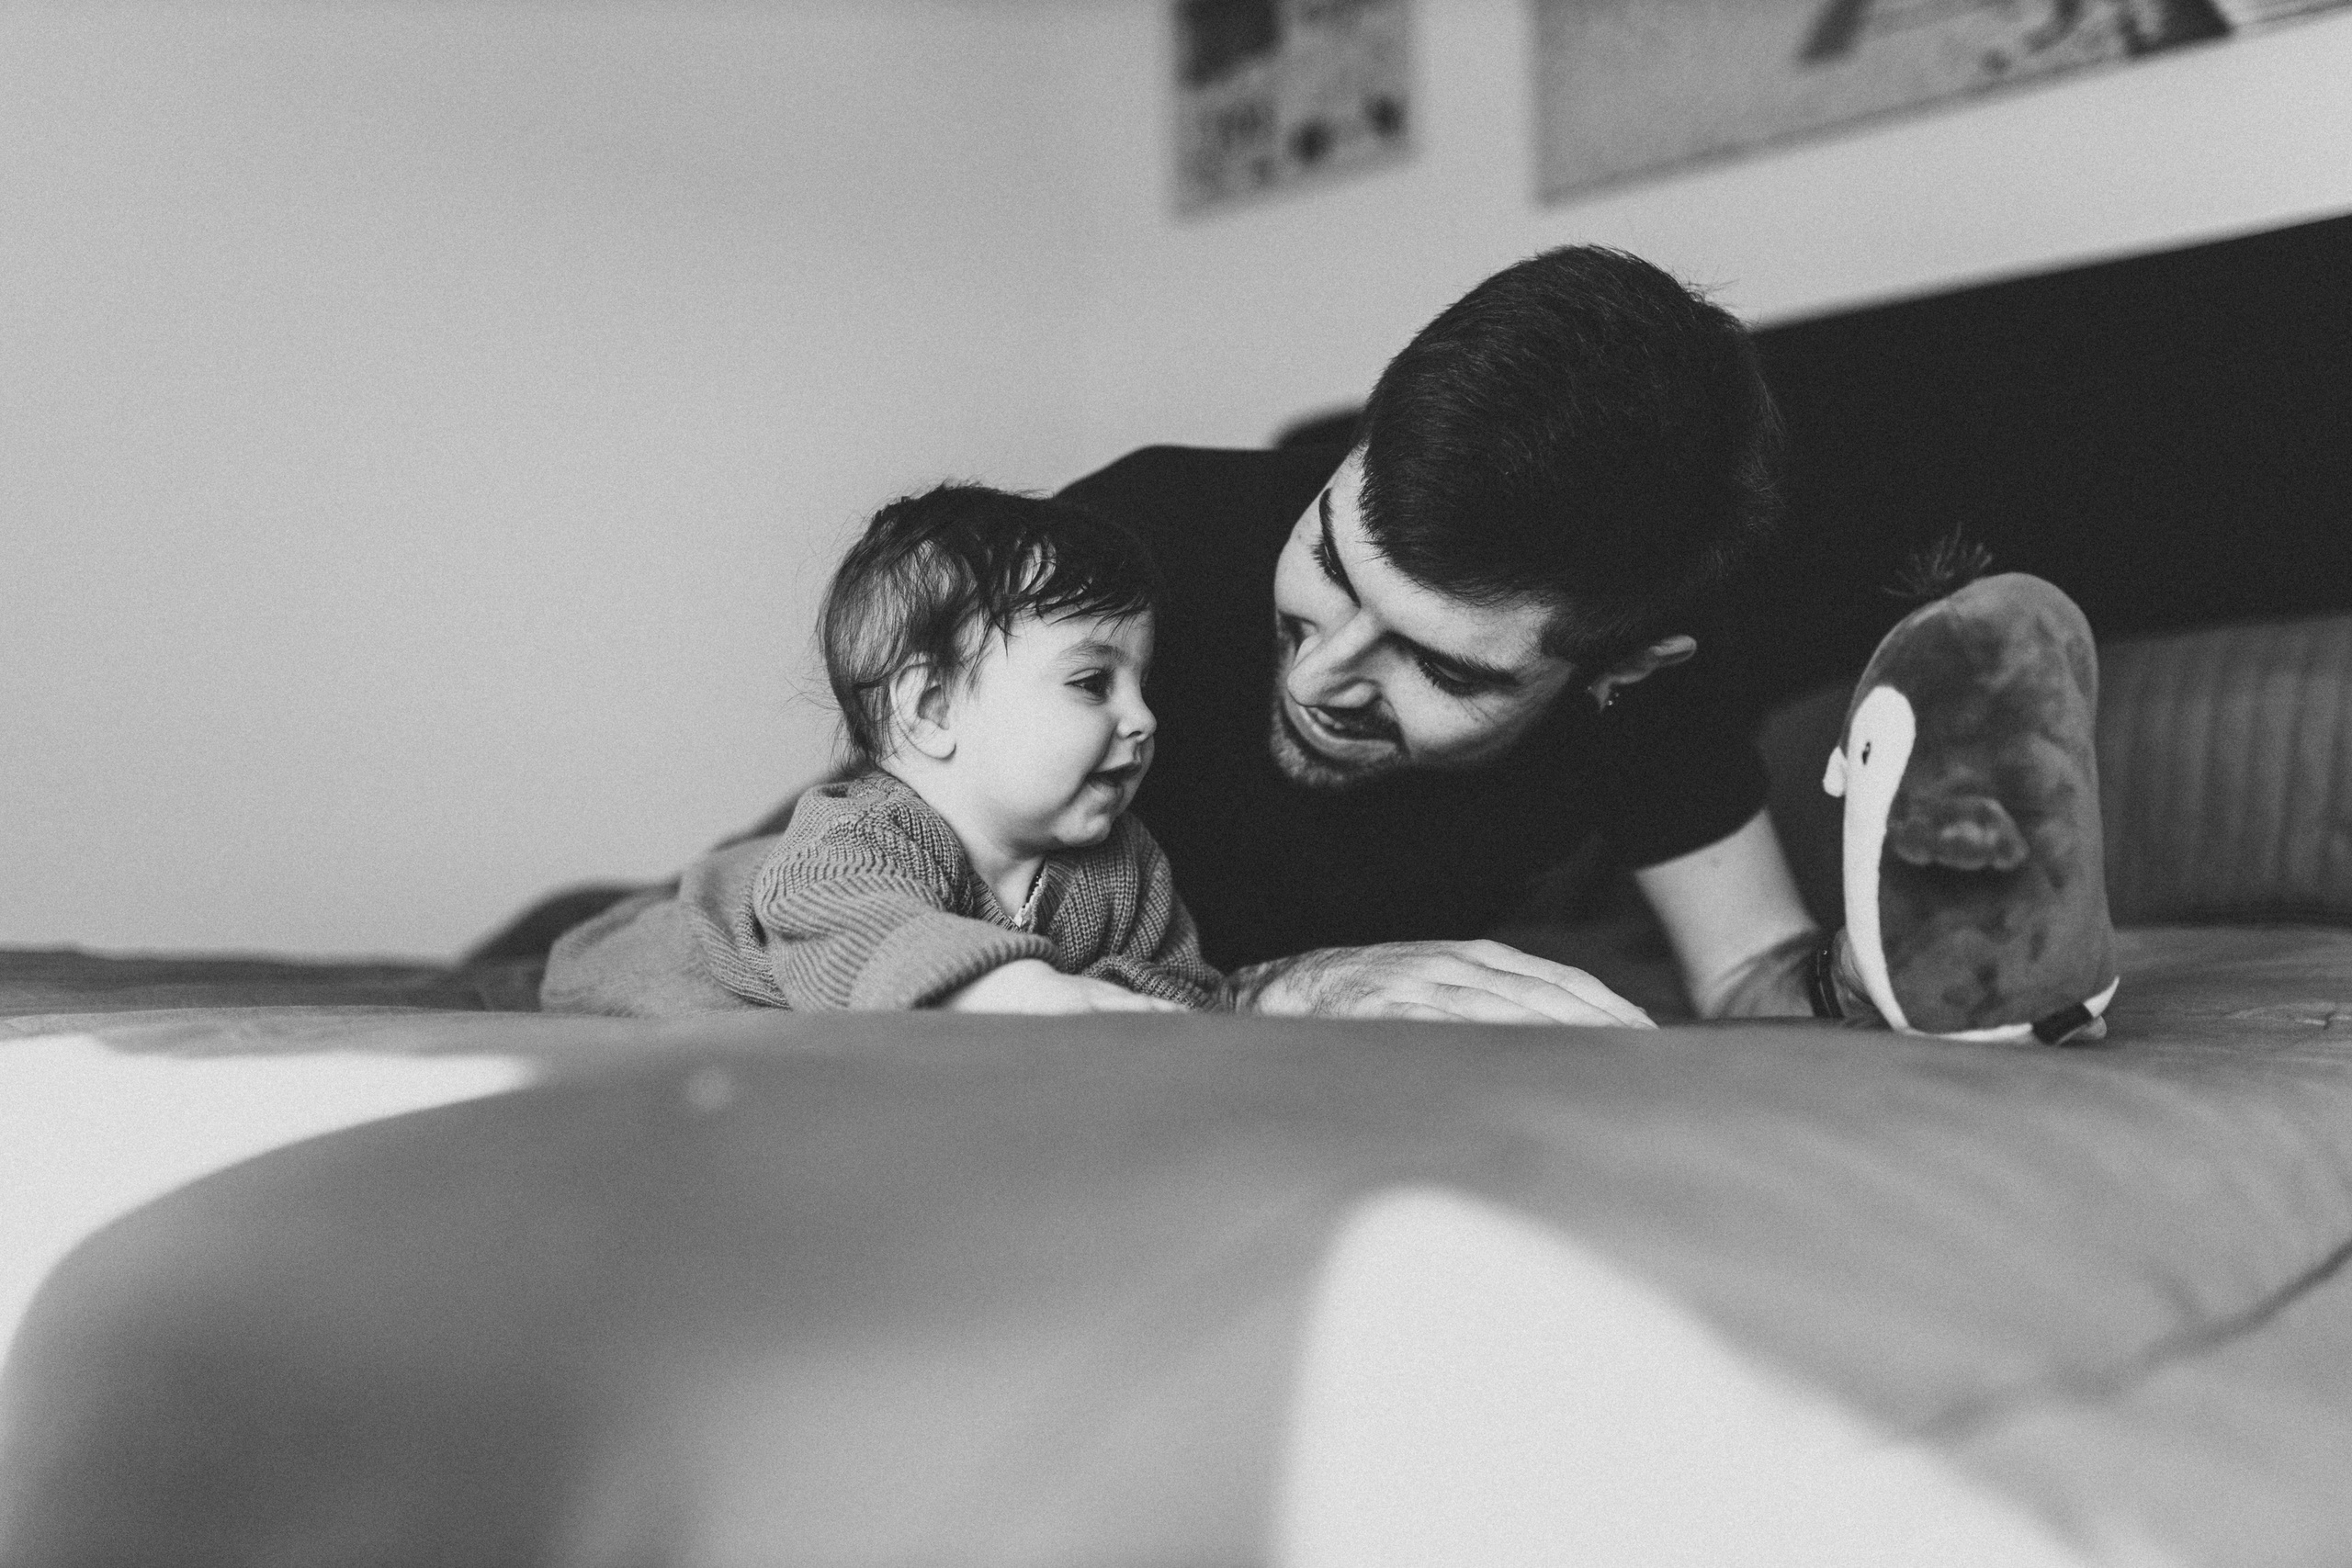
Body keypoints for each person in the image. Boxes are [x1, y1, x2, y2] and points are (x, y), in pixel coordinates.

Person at [1048, 244, 1870, 1026]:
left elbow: (1747, 968)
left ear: (1620, 672)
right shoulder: (1119, 552)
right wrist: (1256, 990)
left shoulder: (1646, 666)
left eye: (1440, 666)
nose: (1315, 679)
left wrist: (1861, 970)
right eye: (1331, 563)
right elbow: (928, 925)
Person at [541, 484, 1224, 1016]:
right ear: (931, 709)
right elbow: (864, 931)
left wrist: (1107, 999)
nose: (1142, 717)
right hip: (657, 956)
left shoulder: (1127, 865)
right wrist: (1011, 987)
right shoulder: (860, 837)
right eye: (1093, 682)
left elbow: (1180, 986)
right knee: (519, 969)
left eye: (1143, 683)